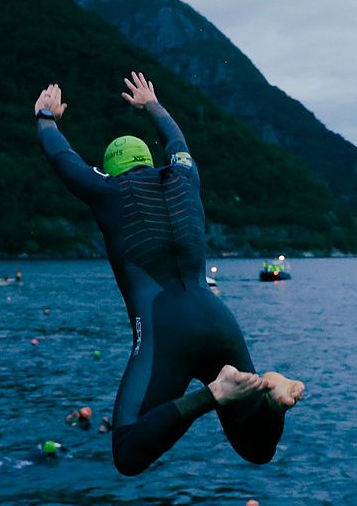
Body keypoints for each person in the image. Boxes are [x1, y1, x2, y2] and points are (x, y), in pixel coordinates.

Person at [35, 72, 305, 476]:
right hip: (217, 319)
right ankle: (271, 397)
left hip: (165, 329)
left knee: (127, 452)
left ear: (110, 169)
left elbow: (62, 156)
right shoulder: (185, 176)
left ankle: (213, 394)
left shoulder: (107, 191)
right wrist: (152, 105)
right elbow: (178, 143)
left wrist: (45, 116)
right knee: (257, 449)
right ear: (147, 159)